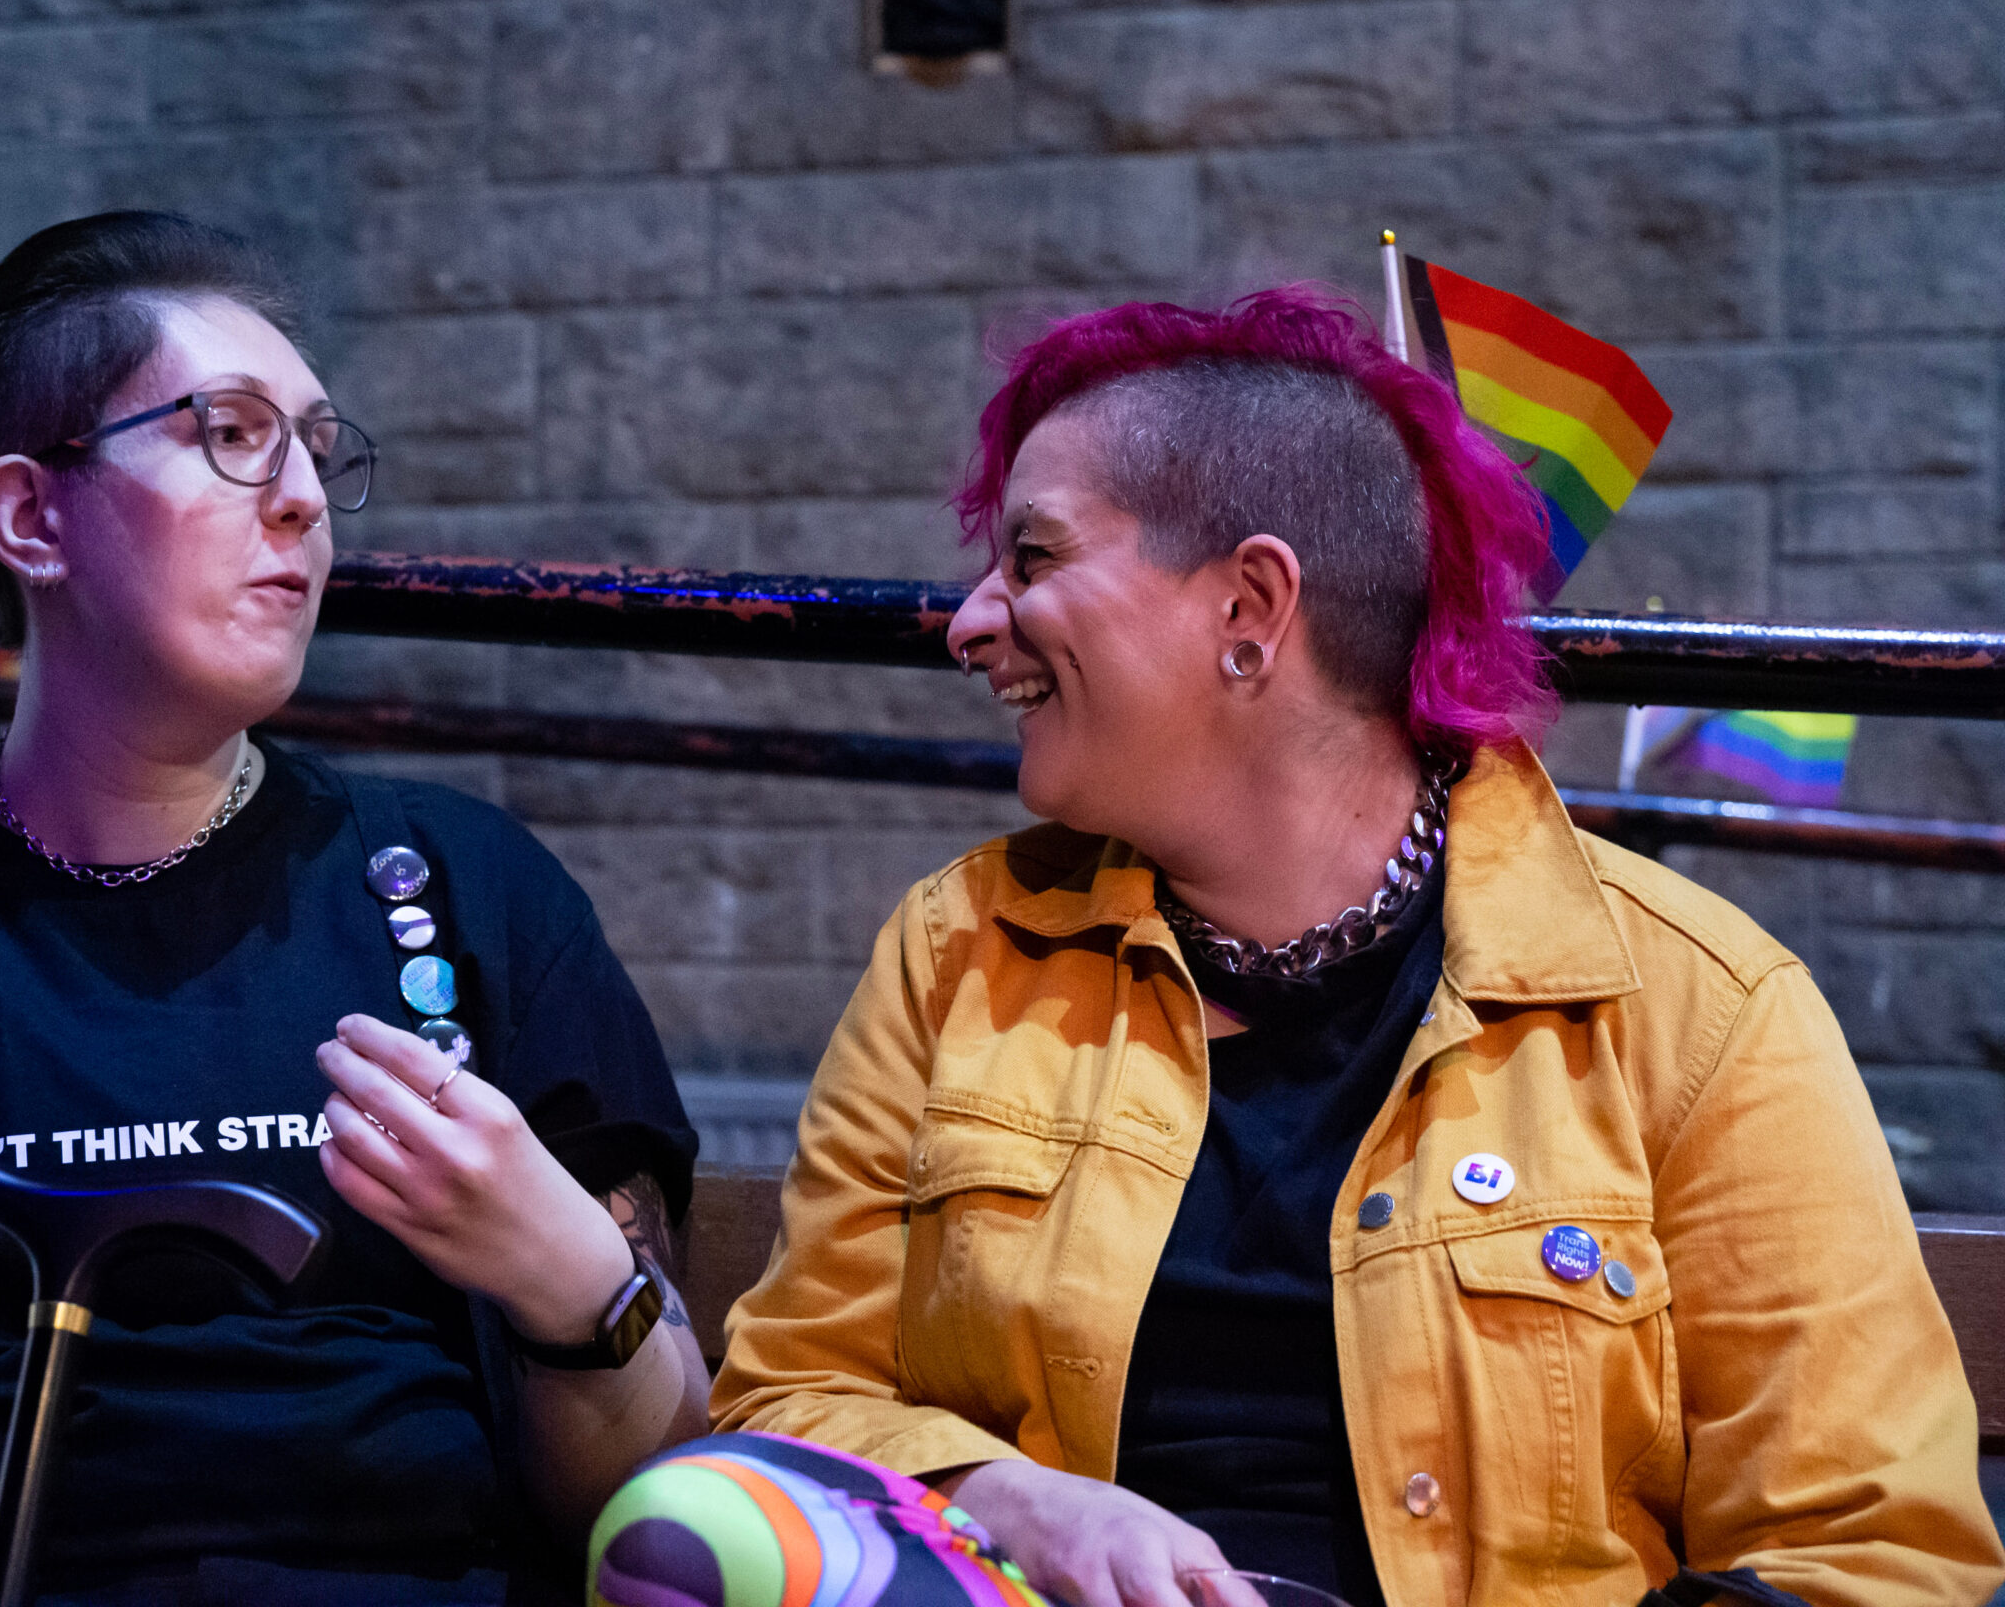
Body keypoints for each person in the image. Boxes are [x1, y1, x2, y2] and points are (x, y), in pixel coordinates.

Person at [669, 290, 2005, 1607]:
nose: (969, 624)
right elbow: (790, 1403)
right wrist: (999, 1497)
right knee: (672, 1532)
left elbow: (1875, 1560)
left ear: (1250, 607)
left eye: (1034, 561)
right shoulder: (959, 950)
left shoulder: (1695, 1007)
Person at [0, 211, 709, 1607]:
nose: (306, 494)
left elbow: (655, 1517)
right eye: (236, 433)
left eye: (319, 442)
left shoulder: (464, 895)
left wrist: (570, 1283)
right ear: (27, 515)